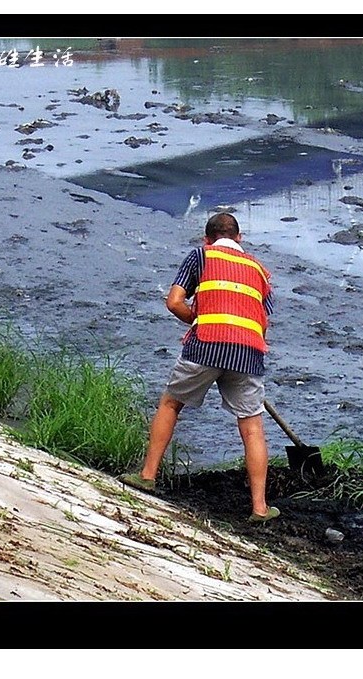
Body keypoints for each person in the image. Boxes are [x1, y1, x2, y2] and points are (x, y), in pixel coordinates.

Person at [119, 212, 280, 522]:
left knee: (171, 403)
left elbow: (174, 301)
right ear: (239, 239)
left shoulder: (200, 256)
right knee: (252, 427)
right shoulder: (259, 269)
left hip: (206, 343)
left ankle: (147, 476)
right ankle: (260, 508)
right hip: (248, 352)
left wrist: (199, 318)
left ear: (207, 239)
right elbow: (263, 321)